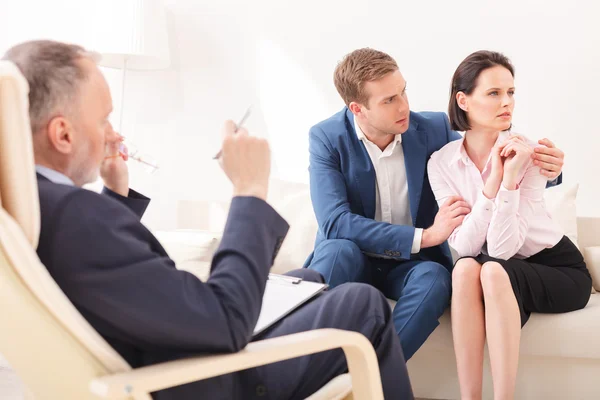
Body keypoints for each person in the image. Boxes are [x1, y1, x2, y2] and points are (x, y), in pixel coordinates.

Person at [3, 40, 414, 400]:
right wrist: (249, 189)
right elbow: (226, 323)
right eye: (103, 118)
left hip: (166, 345)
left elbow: (108, 274)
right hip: (206, 378)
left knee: (305, 281)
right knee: (361, 302)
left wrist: (117, 196)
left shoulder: (33, 207)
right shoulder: (76, 214)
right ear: (62, 135)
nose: (112, 132)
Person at [304, 48, 566, 360]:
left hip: (411, 266)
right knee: (336, 250)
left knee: (435, 277)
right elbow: (335, 222)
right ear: (357, 109)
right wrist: (424, 236)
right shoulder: (326, 137)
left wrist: (548, 169)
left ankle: (370, 377)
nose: (404, 106)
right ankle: (302, 369)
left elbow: (479, 165)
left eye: (403, 92)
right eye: (389, 100)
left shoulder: (432, 129)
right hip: (352, 257)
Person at [427, 50, 591, 400]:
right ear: (463, 100)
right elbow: (464, 248)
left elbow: (502, 250)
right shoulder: (441, 163)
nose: (507, 103)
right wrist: (494, 183)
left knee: (490, 270)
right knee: (465, 269)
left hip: (557, 268)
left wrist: (512, 178)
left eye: (511, 93)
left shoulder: (528, 154)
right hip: (499, 269)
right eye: (494, 93)